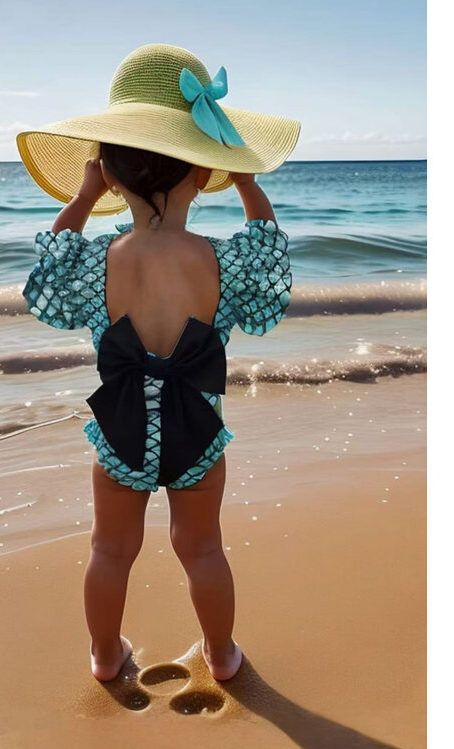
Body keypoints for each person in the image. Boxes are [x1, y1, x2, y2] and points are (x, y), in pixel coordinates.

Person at [17, 43, 299, 683]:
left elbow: (50, 269)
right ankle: (221, 654)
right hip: (197, 434)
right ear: (203, 172)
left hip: (120, 435)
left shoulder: (101, 260)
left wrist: (83, 197)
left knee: (109, 550)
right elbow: (267, 251)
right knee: (203, 549)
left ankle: (104, 654)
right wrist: (247, 180)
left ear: (110, 177)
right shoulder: (219, 260)